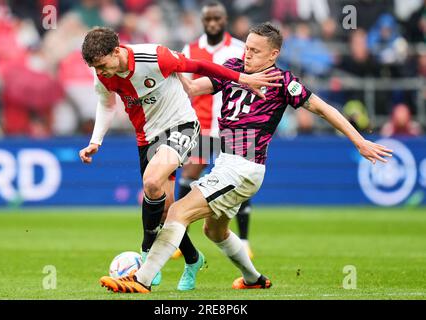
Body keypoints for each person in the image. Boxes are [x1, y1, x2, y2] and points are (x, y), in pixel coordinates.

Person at [98, 22, 393, 294]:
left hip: (245, 166)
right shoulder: (234, 68)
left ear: (273, 54)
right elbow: (194, 87)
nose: (247, 54)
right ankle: (253, 279)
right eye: (246, 47)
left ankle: (141, 280)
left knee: (177, 212)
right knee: (214, 230)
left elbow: (323, 108)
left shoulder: (283, 81)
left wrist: (359, 141)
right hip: (226, 161)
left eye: (254, 50)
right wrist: (169, 72)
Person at [78, 27, 281, 291]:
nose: (101, 72)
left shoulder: (154, 57)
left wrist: (243, 78)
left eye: (103, 65)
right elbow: (106, 105)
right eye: (95, 67)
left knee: (151, 183)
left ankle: (146, 256)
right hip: (147, 138)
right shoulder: (102, 76)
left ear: (116, 51)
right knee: (166, 210)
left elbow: (200, 65)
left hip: (180, 126)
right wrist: (96, 141)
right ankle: (194, 259)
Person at [176, 1, 254, 260]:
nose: (212, 23)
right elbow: (185, 84)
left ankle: (244, 240)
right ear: (202, 21)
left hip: (235, 124)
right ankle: (180, 238)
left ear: (225, 19)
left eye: (217, 18)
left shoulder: (240, 49)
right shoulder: (191, 48)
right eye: (208, 19)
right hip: (201, 123)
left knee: (239, 178)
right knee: (190, 174)